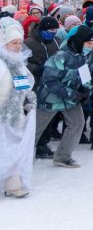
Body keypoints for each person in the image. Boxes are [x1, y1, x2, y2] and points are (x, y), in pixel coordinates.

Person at [35, 25, 93, 168]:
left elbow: (86, 74)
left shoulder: (88, 55)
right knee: (35, 129)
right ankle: (17, 159)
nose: (91, 47)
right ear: (80, 41)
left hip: (71, 98)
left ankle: (63, 156)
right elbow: (49, 80)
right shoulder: (61, 56)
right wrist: (70, 94)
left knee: (77, 123)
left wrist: (87, 90)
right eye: (88, 43)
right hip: (51, 98)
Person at [0, 18, 37, 198]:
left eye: (19, 42)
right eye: (13, 43)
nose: (17, 46)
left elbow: (25, 84)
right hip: (2, 114)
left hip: (17, 115)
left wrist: (27, 98)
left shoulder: (19, 63)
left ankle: (13, 183)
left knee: (16, 148)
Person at [24, 16, 61, 158]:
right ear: (43, 29)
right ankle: (32, 144)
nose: (53, 33)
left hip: (52, 84)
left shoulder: (56, 42)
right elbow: (23, 62)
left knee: (48, 116)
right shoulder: (29, 42)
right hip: (36, 83)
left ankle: (43, 144)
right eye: (50, 30)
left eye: (55, 30)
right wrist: (36, 68)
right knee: (36, 117)